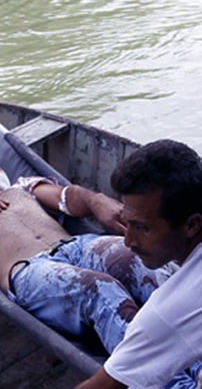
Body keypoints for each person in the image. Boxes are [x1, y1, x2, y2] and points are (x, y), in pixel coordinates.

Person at [0, 160, 182, 362]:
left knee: (140, 263)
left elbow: (69, 196)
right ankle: (169, 381)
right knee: (100, 291)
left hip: (76, 246)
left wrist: (95, 201)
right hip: (30, 271)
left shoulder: (23, 188)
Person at [77, 141, 202, 389]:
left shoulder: (171, 308)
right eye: (128, 223)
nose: (128, 240)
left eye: (143, 228)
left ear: (191, 225)